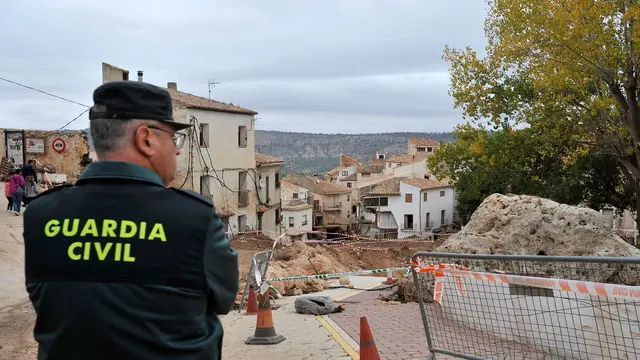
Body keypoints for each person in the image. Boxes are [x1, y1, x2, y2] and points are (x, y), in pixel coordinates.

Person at [23, 81, 239, 360]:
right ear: (145, 138)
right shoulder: (194, 219)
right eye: (173, 138)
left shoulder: (41, 215)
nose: (177, 150)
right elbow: (224, 299)